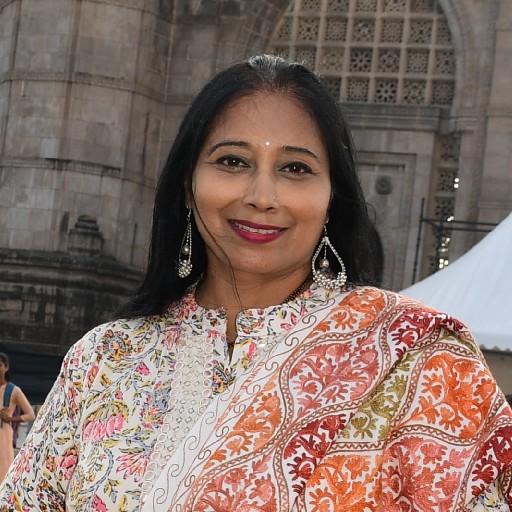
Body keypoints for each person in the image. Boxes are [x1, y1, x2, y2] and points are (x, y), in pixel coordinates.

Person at [0, 54, 511, 511]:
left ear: (332, 197)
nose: (262, 196)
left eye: (295, 168)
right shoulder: (103, 362)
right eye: (233, 161)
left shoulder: (419, 360)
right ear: (187, 185)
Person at [0, 352, 35, 482]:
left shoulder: (13, 390)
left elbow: (30, 414)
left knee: (3, 472)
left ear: (6, 367)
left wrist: (10, 419)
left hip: (3, 436)